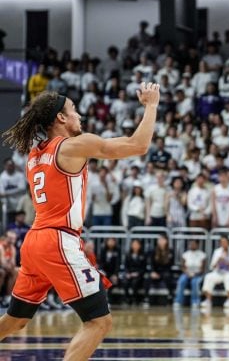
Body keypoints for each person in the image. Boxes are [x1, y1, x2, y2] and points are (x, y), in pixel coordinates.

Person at [0, 83, 159, 361]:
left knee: (16, 320)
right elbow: (139, 145)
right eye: (74, 111)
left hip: (35, 240)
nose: (80, 117)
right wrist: (151, 105)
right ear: (60, 118)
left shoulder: (35, 155)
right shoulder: (73, 146)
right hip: (57, 240)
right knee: (99, 322)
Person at [200, 236, 229, 314]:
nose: (223, 243)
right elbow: (212, 266)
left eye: (225, 242)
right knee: (208, 277)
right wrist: (218, 260)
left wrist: (227, 261)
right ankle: (208, 300)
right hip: (219, 272)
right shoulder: (217, 251)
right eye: (222, 242)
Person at [173, 240, 206, 309]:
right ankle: (178, 301)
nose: (192, 245)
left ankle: (195, 301)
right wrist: (187, 273)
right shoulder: (185, 254)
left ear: (197, 245)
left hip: (197, 274)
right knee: (181, 281)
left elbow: (202, 269)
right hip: (187, 273)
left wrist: (195, 274)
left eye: (194, 244)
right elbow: (182, 266)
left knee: (195, 282)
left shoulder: (202, 255)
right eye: (191, 244)